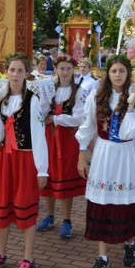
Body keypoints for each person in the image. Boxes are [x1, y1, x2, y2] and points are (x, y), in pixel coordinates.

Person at [76, 54, 135, 268]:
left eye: (122, 71)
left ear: (127, 73)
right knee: (102, 201)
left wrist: (130, 105)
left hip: (127, 154)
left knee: (127, 201)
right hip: (103, 153)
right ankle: (102, 257)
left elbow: (129, 132)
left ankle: (129, 243)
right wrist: (82, 156)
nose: (118, 75)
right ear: (107, 73)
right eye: (114, 71)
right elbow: (87, 126)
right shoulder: (96, 96)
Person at [0, 53, 48, 268]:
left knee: (25, 207)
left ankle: (29, 259)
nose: (15, 74)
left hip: (24, 160)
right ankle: (1, 254)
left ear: (27, 73)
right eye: (12, 70)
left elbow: (39, 136)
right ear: (6, 72)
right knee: (3, 205)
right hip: (3, 160)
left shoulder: (33, 100)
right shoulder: (1, 99)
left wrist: (42, 169)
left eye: (20, 70)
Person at [36, 54, 86, 238]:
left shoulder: (79, 91)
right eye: (62, 68)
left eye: (68, 69)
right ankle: (49, 216)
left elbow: (79, 117)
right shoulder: (48, 88)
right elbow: (40, 112)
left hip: (67, 139)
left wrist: (55, 119)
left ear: (73, 71)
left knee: (64, 176)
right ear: (56, 70)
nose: (65, 72)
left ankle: (67, 220)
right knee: (47, 175)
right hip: (49, 138)